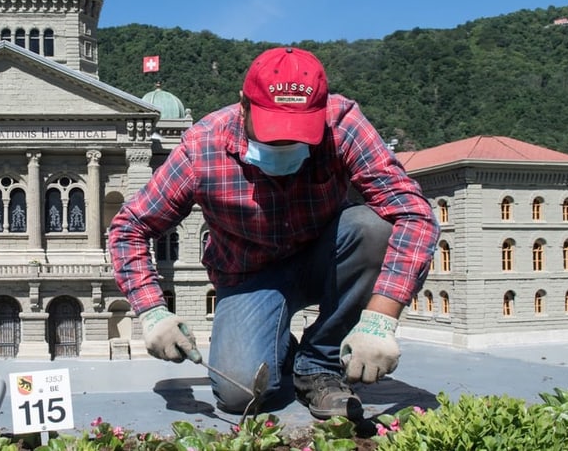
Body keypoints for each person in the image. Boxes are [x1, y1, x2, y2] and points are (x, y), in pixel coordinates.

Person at [108, 46, 439, 420]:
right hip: (248, 277)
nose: (283, 145)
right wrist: (152, 310)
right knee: (240, 393)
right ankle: (278, 346)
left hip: (325, 258)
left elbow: (415, 214)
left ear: (320, 111)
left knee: (374, 228)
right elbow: (129, 227)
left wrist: (381, 318)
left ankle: (320, 364)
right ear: (243, 107)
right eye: (271, 132)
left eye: (297, 134)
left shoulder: (342, 124)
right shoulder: (203, 147)